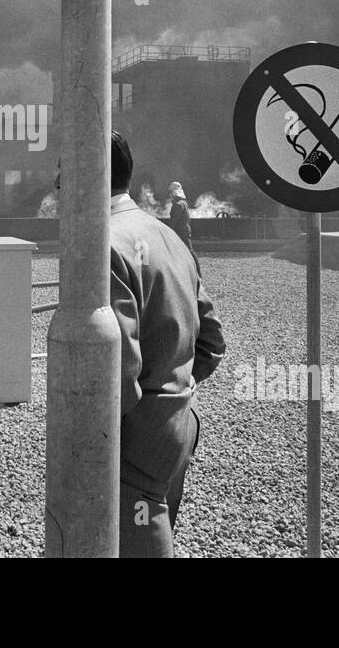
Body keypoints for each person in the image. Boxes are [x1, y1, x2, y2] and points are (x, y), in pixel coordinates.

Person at [109, 132, 225, 557]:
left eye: (64, 176)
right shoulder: (170, 236)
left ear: (88, 176)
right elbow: (211, 341)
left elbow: (114, 378)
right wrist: (172, 389)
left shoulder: (103, 246)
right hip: (178, 428)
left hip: (132, 447)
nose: (56, 186)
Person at [167, 181, 193, 253]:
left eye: (170, 192)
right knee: (187, 251)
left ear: (173, 192)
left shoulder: (177, 204)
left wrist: (168, 231)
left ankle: (196, 264)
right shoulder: (184, 202)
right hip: (184, 230)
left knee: (188, 252)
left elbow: (174, 221)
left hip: (180, 232)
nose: (169, 194)